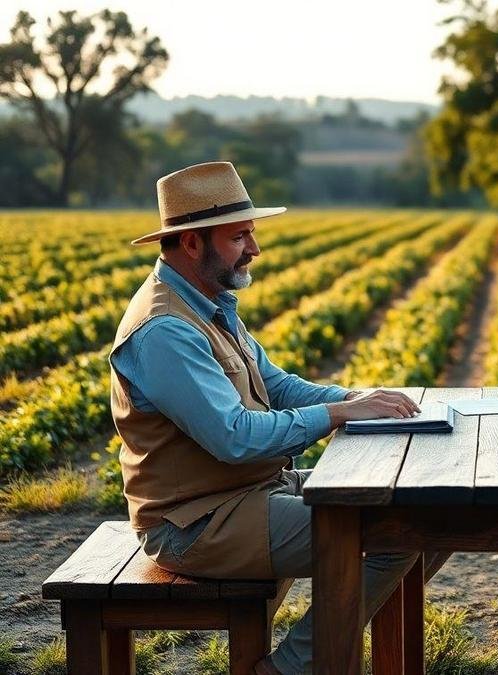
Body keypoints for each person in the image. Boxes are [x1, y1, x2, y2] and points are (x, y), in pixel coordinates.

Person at [109, 161, 448, 674]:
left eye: (251, 233)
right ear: (192, 243)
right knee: (398, 530)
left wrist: (361, 399)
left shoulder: (206, 304)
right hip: (198, 522)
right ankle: (292, 668)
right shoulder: (164, 331)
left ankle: (322, 655)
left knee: (425, 509)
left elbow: (279, 385)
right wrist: (339, 413)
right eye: (239, 236)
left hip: (251, 495)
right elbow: (235, 439)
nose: (254, 248)